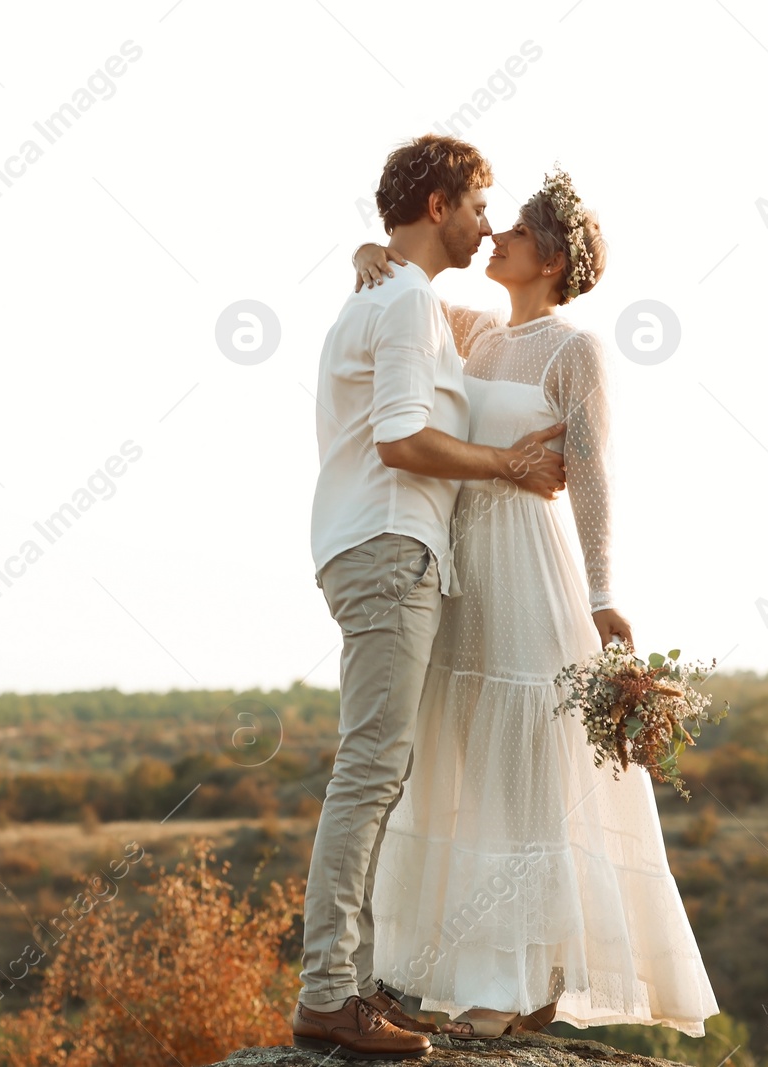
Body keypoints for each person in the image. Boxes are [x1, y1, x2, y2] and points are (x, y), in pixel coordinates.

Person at [351, 167, 721, 1038]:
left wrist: (602, 594)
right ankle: (495, 970)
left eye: (515, 231)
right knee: (473, 773)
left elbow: (591, 473)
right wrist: (371, 248)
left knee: (527, 782)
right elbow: (404, 284)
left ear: (551, 260)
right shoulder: (476, 334)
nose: (496, 238)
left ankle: (523, 980)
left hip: (528, 566)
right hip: (461, 566)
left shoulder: (573, 350)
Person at [295, 133, 570, 1060]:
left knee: (380, 768)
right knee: (372, 768)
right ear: (439, 202)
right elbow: (403, 438)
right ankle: (330, 992)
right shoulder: (404, 300)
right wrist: (508, 465)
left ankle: (352, 984)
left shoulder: (387, 292)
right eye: (478, 204)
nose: (488, 223)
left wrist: (365, 253)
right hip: (387, 545)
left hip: (372, 546)